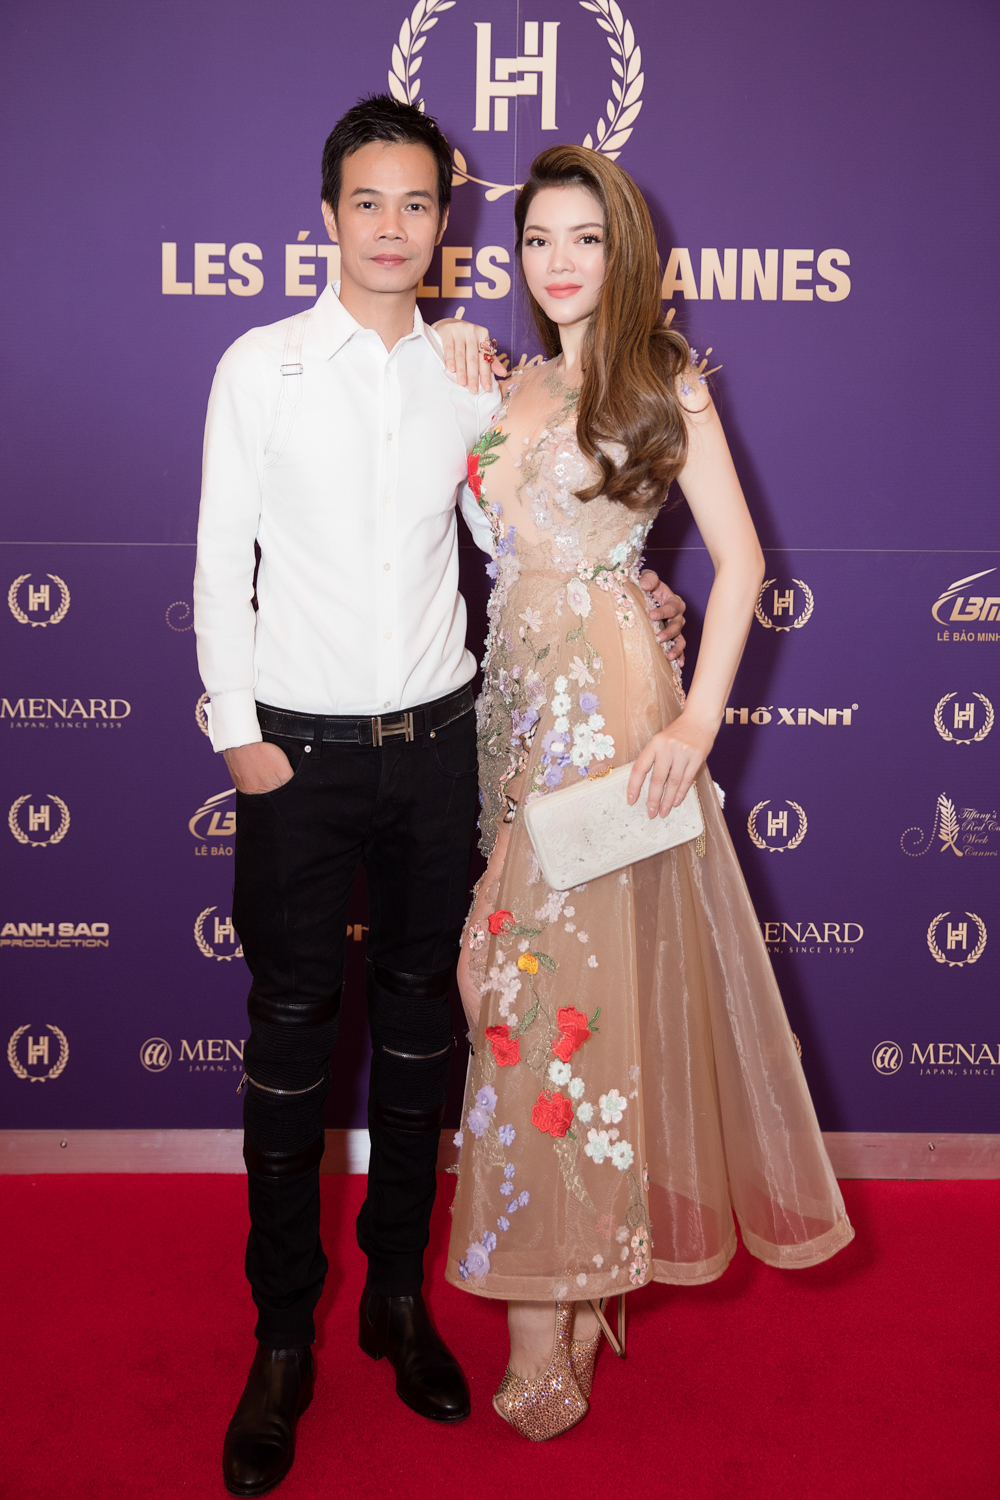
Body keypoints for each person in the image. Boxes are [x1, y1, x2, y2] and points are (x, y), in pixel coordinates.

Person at [194, 97, 685, 1495]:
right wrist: (238, 733)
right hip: (293, 755)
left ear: (444, 222)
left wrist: (636, 604)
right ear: (329, 216)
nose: (394, 227)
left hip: (438, 749)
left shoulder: (476, 378)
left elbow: (542, 527)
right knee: (291, 1048)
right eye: (369, 202)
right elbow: (220, 554)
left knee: (426, 1038)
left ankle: (397, 1302)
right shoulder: (261, 365)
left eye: (419, 204)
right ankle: (281, 1340)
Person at [446, 144, 855, 1441]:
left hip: (609, 719)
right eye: (537, 239)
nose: (559, 262)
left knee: (546, 1010)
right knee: (502, 984)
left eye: (585, 237)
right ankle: (577, 1269)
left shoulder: (660, 379)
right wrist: (452, 360)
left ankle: (549, 1314)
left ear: (624, 251)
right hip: (510, 715)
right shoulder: (506, 381)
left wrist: (697, 717)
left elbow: (741, 562)